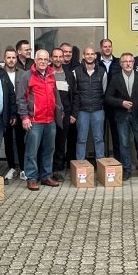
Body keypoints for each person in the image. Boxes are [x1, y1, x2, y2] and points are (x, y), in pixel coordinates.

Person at [16, 49, 63, 190]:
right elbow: (20, 99)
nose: (42, 62)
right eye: (40, 59)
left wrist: (60, 111)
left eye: (45, 59)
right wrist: (24, 117)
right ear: (35, 61)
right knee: (31, 151)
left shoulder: (51, 74)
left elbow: (56, 95)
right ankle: (31, 178)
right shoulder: (27, 76)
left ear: (48, 61)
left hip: (50, 120)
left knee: (49, 150)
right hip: (34, 120)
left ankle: (46, 176)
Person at [105, 52, 138, 180]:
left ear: (134, 63)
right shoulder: (115, 78)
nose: (128, 64)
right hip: (122, 116)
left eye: (130, 61)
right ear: (121, 64)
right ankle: (126, 170)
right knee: (124, 143)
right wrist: (121, 102)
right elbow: (108, 98)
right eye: (125, 62)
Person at [73, 46, 107, 160]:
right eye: (87, 54)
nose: (90, 56)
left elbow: (105, 90)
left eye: (92, 54)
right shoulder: (76, 71)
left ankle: (101, 164)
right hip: (82, 111)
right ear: (83, 56)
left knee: (99, 139)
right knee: (81, 139)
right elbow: (74, 91)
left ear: (95, 56)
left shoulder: (102, 72)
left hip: (98, 110)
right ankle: (80, 166)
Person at [50, 47, 76, 181]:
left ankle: (57, 169)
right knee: (48, 143)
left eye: (60, 57)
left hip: (65, 114)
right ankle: (46, 169)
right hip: (48, 114)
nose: (58, 59)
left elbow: (75, 95)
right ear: (51, 58)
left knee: (60, 143)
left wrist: (73, 113)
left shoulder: (69, 74)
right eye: (55, 56)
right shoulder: (46, 72)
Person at [2, 48, 26, 183]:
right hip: (5, 113)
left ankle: (22, 168)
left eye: (13, 57)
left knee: (21, 141)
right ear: (4, 59)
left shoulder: (23, 74)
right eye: (8, 57)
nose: (11, 60)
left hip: (19, 111)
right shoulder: (0, 74)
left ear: (16, 59)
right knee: (8, 141)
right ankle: (11, 167)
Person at [99, 38, 122, 157]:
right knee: (100, 133)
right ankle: (101, 160)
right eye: (105, 46)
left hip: (115, 102)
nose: (107, 48)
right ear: (101, 48)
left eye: (109, 46)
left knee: (116, 132)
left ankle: (118, 159)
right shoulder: (96, 63)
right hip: (100, 102)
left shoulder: (119, 63)